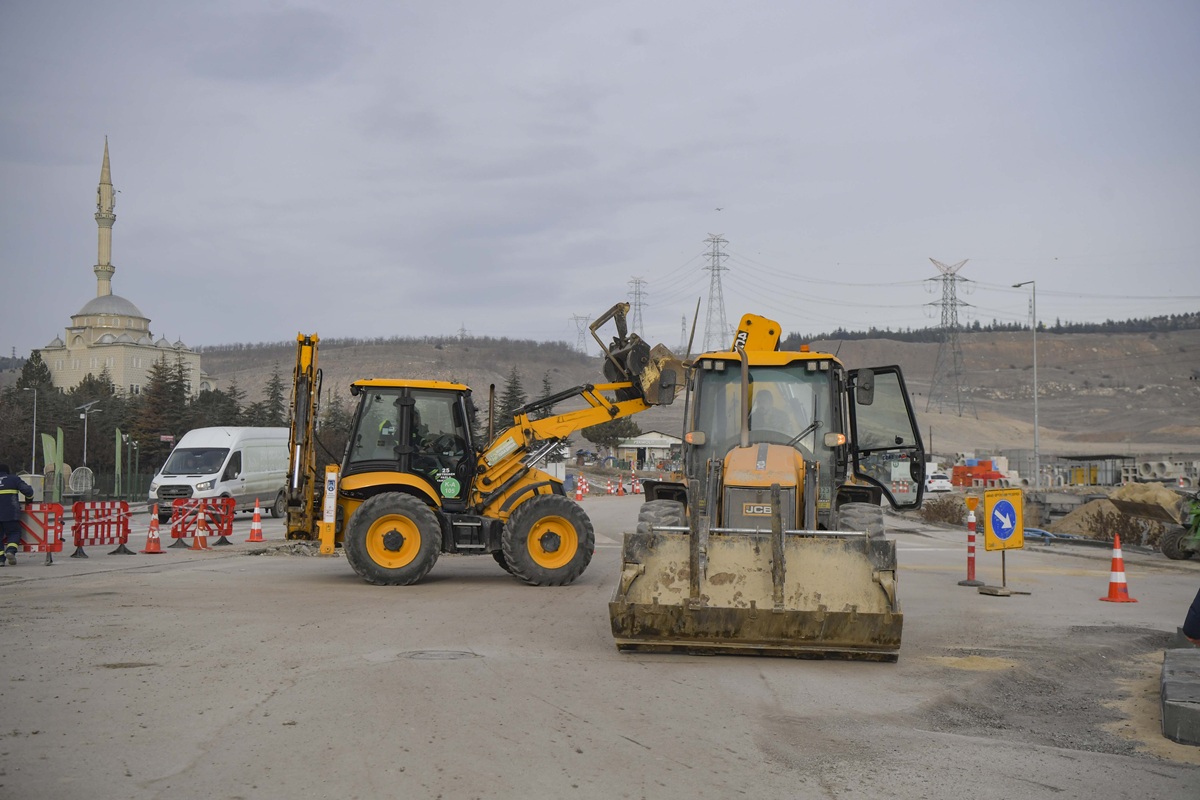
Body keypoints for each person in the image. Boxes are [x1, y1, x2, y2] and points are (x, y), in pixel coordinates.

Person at [0, 463, 34, 566]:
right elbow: (28, 490)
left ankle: (1, 560)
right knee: (14, 532)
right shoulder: (13, 479)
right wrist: (29, 501)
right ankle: (10, 551)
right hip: (10, 513)